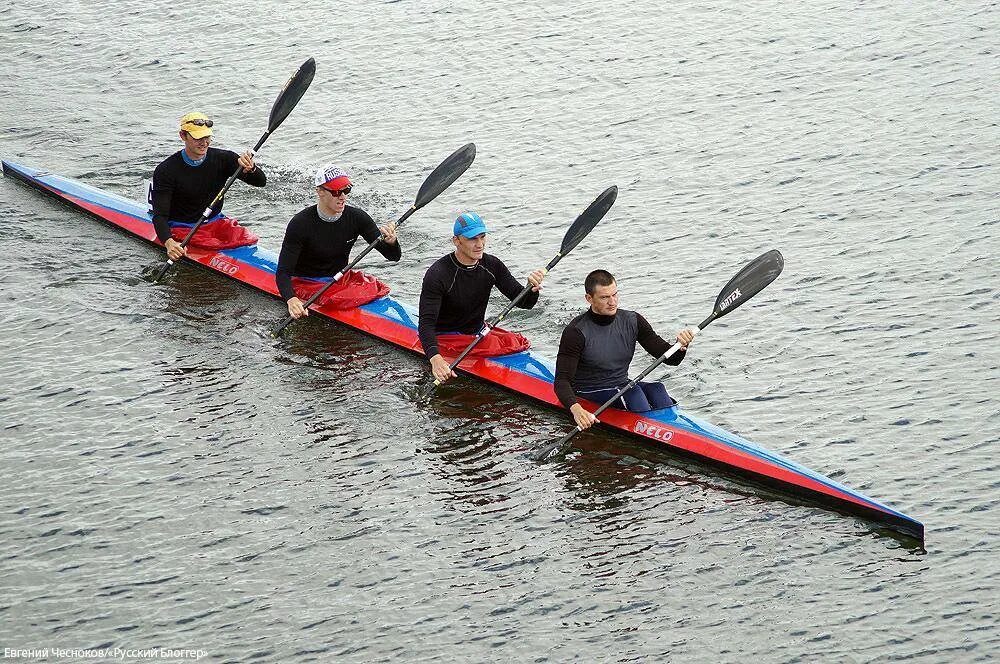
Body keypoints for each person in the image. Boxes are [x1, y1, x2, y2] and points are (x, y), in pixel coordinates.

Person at [554, 269, 696, 430]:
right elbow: (561, 381)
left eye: (615, 294)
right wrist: (577, 409)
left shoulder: (633, 320)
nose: (612, 302)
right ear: (589, 298)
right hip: (587, 390)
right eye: (604, 297)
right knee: (634, 395)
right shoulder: (576, 332)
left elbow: (671, 359)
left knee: (657, 389)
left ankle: (676, 433)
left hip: (621, 386)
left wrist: (681, 345)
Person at [419, 212, 546, 383]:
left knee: (514, 342)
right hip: (445, 338)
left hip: (478, 332)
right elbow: (426, 324)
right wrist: (435, 358)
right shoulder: (438, 274)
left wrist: (532, 288)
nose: (480, 244)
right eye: (472, 239)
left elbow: (524, 303)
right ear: (456, 241)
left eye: (482, 237)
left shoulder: (492, 265)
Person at [276, 164, 400, 319]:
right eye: (336, 191)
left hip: (340, 279)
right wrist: (291, 298)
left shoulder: (358, 218)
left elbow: (393, 257)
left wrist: (392, 242)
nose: (342, 196)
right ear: (320, 192)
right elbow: (283, 272)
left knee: (376, 287)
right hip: (306, 282)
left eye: (346, 190)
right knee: (338, 299)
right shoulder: (300, 223)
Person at [151, 112, 265, 261]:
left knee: (245, 238)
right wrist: (169, 242)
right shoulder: (166, 170)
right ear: (183, 136)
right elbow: (159, 215)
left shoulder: (224, 158)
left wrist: (251, 169)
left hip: (215, 221)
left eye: (207, 137)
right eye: (198, 138)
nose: (204, 142)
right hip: (183, 227)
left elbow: (261, 182)